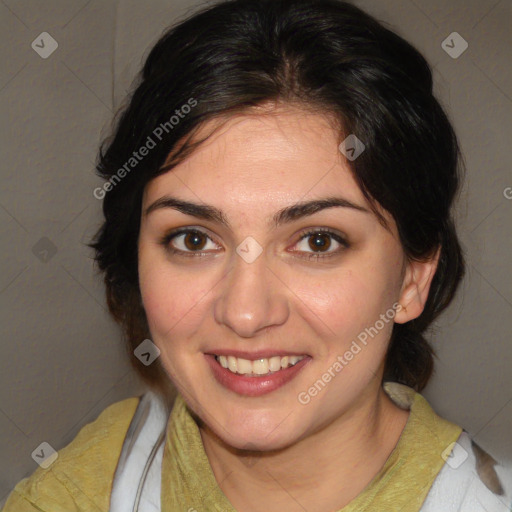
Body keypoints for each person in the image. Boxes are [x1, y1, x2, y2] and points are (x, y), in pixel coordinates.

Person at [3, 0, 511, 511]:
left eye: (317, 241)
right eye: (194, 240)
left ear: (413, 278)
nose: (245, 313)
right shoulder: (81, 490)